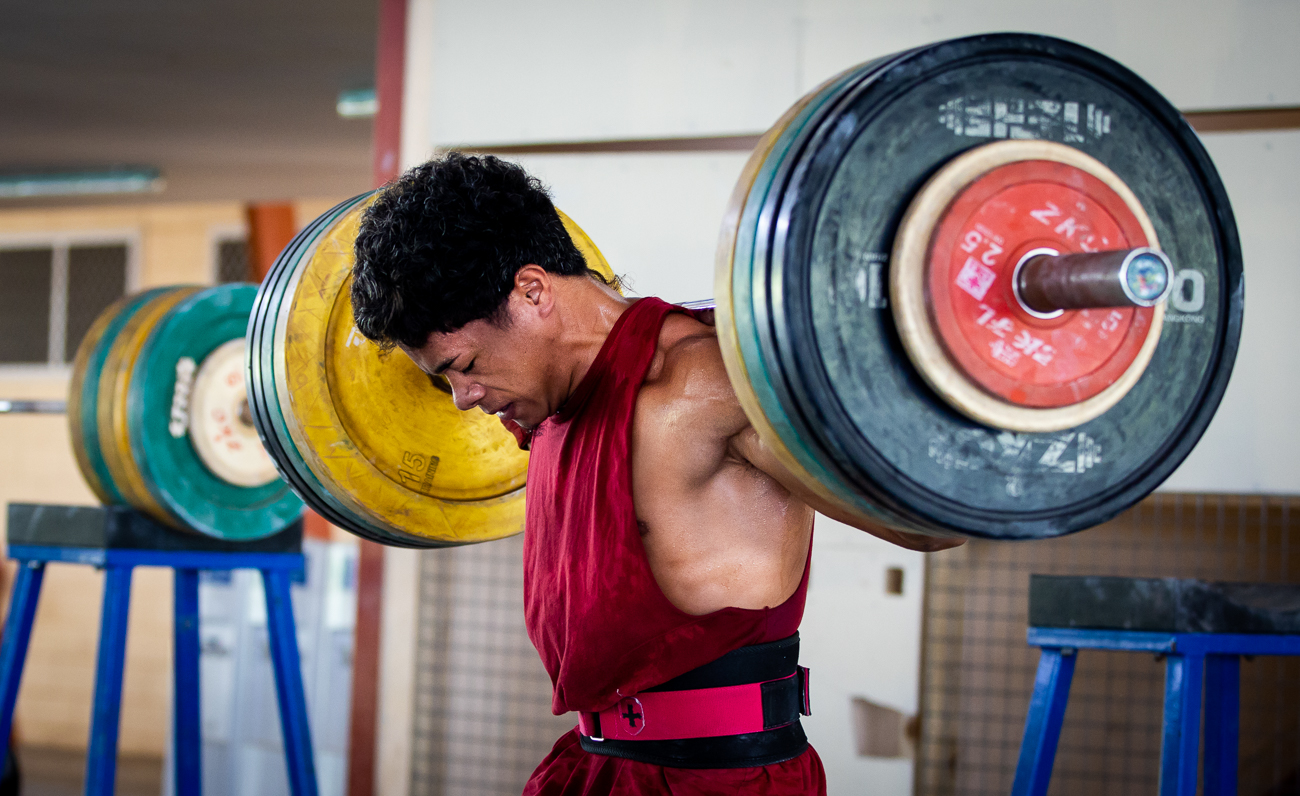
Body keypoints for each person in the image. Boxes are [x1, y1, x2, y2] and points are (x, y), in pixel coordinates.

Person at [351, 153, 963, 795]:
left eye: (465, 363)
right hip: (595, 767)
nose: (462, 398)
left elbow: (932, 526)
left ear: (532, 292)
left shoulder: (710, 384)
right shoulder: (546, 405)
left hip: (722, 783)